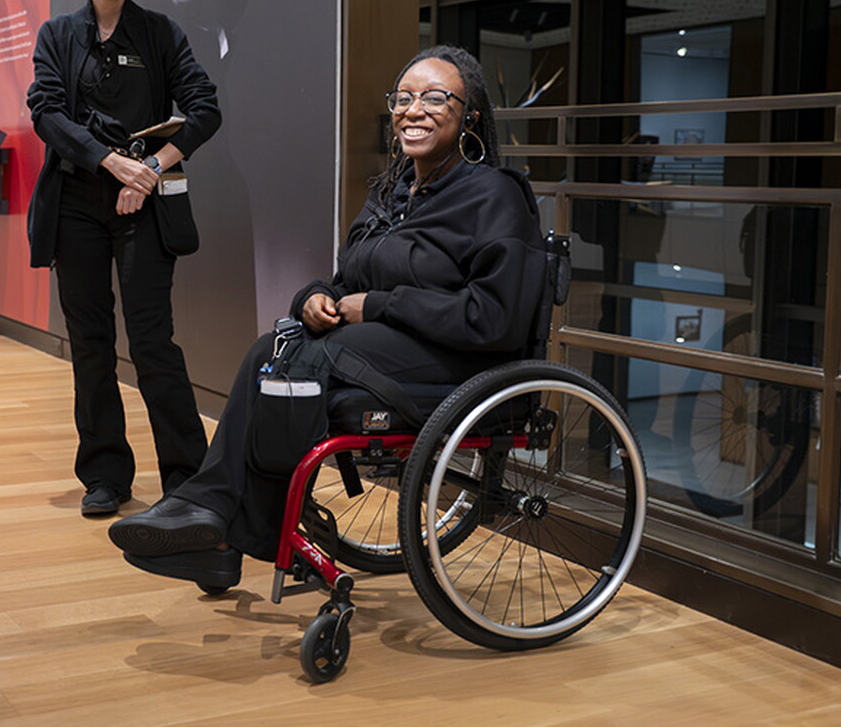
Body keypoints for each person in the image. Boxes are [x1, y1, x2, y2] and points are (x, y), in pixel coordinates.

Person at [108, 46, 547, 588]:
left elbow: (494, 318)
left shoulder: (495, 196)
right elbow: (346, 282)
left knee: (302, 364)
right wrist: (314, 300)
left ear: (470, 115)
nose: (414, 110)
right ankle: (214, 519)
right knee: (276, 347)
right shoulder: (392, 193)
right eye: (403, 99)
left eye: (435, 98)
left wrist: (378, 306)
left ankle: (223, 522)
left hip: (456, 365)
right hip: (388, 350)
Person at [26, 0, 223, 517]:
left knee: (153, 342)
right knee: (89, 342)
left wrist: (152, 168)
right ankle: (105, 474)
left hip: (143, 206)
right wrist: (113, 164)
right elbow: (47, 113)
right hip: (76, 204)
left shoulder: (161, 33)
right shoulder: (57, 35)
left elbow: (204, 108)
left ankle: (189, 478)